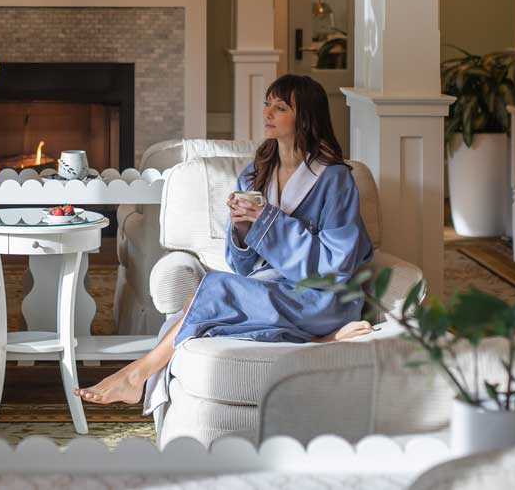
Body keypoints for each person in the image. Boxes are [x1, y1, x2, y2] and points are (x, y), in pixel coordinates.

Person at [76, 74, 374, 406]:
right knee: (198, 310)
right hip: (273, 290)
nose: (267, 114)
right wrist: (242, 231)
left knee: (213, 289)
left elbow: (338, 265)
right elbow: (242, 266)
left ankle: (136, 375)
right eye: (266, 104)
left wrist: (268, 223)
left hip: (321, 297)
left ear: (305, 116)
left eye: (280, 107)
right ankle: (319, 339)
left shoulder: (334, 179)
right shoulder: (256, 172)